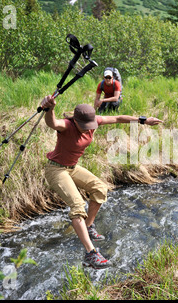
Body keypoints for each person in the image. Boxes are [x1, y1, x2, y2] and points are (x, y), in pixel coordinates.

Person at [41, 95, 163, 269]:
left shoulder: (95, 121)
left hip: (72, 167)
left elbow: (119, 118)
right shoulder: (67, 126)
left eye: (88, 126)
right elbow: (52, 123)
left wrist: (144, 120)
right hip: (56, 169)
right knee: (77, 206)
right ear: (75, 121)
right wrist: (50, 108)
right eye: (83, 126)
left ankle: (88, 226)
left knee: (100, 189)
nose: (86, 129)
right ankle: (90, 254)